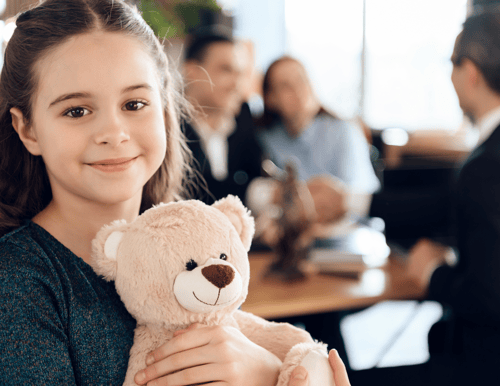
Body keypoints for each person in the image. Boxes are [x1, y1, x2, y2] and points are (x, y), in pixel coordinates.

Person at [0, 1, 351, 385]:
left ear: (164, 107)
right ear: (27, 129)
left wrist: (269, 373)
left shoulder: (193, 244)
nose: (114, 132)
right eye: (76, 111)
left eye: (134, 104)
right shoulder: (19, 280)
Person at [407, 10, 500, 385]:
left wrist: (433, 271)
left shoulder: (485, 165)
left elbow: (490, 299)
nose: (449, 77)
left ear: (471, 72)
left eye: (452, 64)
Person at [256, 56, 380, 219]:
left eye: (301, 80)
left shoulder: (344, 131)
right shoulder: (265, 138)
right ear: (270, 98)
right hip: (293, 231)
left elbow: (362, 197)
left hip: (346, 228)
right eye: (286, 86)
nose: (298, 90)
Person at [182, 27, 264, 204]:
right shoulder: (165, 125)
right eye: (226, 70)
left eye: (241, 73)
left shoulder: (245, 119)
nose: (237, 83)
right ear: (192, 71)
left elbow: (260, 174)